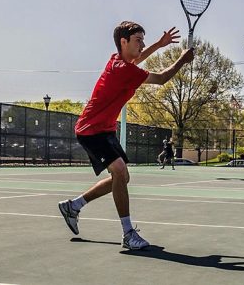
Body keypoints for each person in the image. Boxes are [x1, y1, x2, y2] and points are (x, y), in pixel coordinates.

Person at [57, 21, 194, 250]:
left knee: (122, 178)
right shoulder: (122, 69)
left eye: (143, 40)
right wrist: (182, 59)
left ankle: (74, 206)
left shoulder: (119, 61)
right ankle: (128, 234)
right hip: (90, 130)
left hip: (105, 129)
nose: (142, 44)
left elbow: (136, 59)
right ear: (124, 41)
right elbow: (161, 79)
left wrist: (159, 45)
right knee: (119, 171)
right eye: (138, 40)